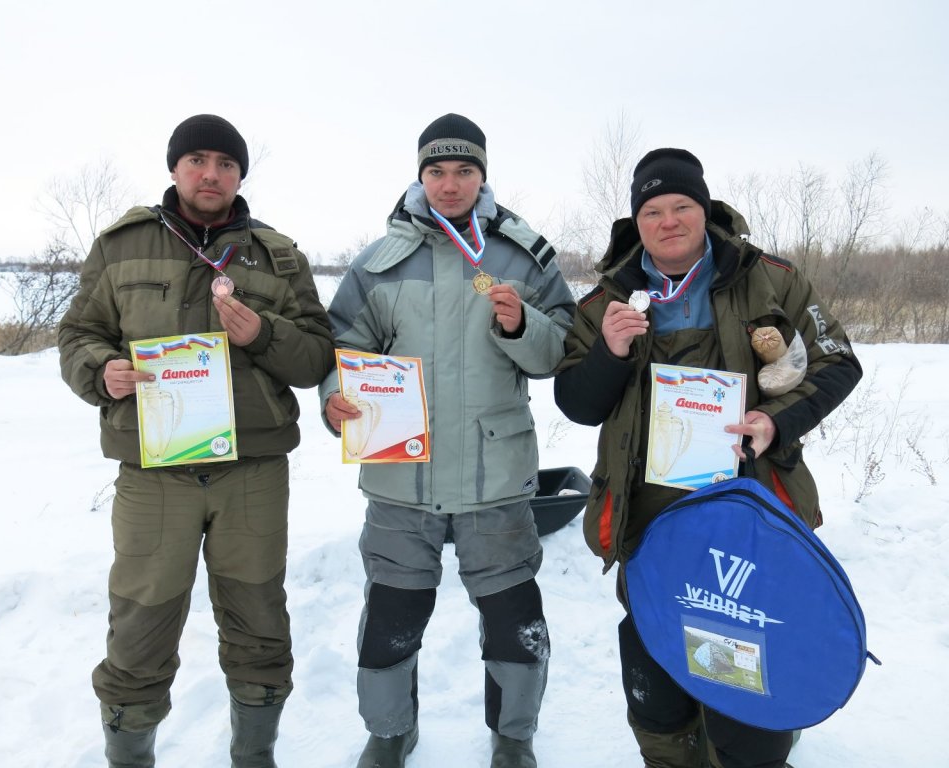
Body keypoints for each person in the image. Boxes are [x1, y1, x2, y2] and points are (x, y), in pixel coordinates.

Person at [553, 148, 862, 768]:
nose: (669, 221)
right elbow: (577, 404)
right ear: (635, 222)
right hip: (647, 518)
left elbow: (838, 363)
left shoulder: (771, 279)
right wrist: (609, 353)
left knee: (744, 664)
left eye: (682, 206)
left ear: (705, 209)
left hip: (750, 512)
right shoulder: (604, 303)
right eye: (653, 210)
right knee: (659, 670)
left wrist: (774, 422)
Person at [58, 114, 334, 768]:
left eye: (225, 163)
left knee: (260, 622)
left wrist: (261, 334)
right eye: (197, 160)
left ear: (241, 174)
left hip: (253, 472)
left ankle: (254, 757)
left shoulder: (278, 255)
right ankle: (129, 756)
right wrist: (102, 371)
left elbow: (318, 358)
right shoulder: (121, 247)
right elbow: (78, 336)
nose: (211, 174)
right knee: (140, 627)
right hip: (155, 472)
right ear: (175, 168)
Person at [319, 114, 575, 768]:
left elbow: (562, 353)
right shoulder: (378, 264)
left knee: (516, 625)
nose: (450, 183)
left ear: (483, 175)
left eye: (464, 170)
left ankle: (513, 738)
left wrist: (524, 326)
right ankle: (389, 734)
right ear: (419, 175)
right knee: (389, 625)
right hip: (401, 481)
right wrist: (334, 398)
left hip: (497, 478)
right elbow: (339, 351)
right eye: (437, 170)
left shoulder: (521, 256)